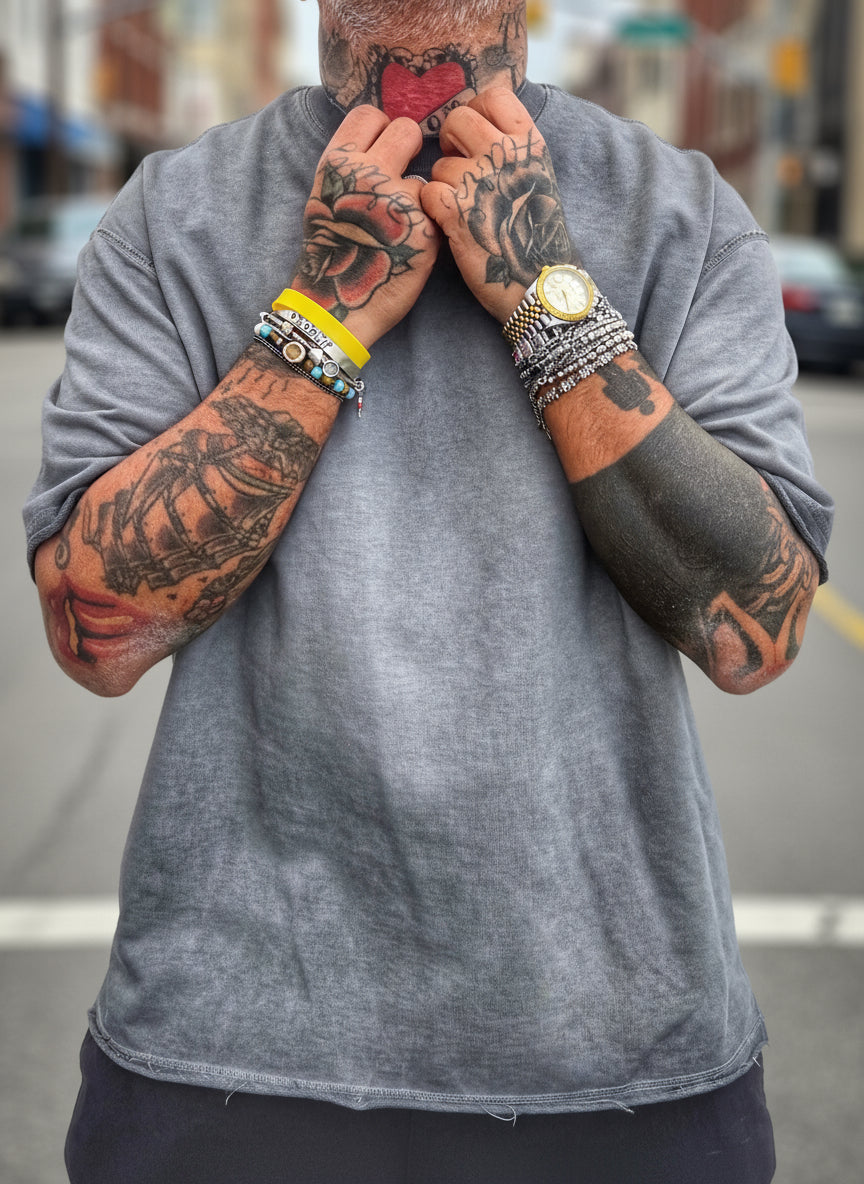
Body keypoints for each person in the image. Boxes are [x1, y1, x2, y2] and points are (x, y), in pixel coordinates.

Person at [24, 1, 832, 1181]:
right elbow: (94, 626)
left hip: (614, 1050)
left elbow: (758, 625)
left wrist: (548, 295)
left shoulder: (681, 207)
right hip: (231, 1050)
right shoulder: (174, 210)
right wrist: (324, 315)